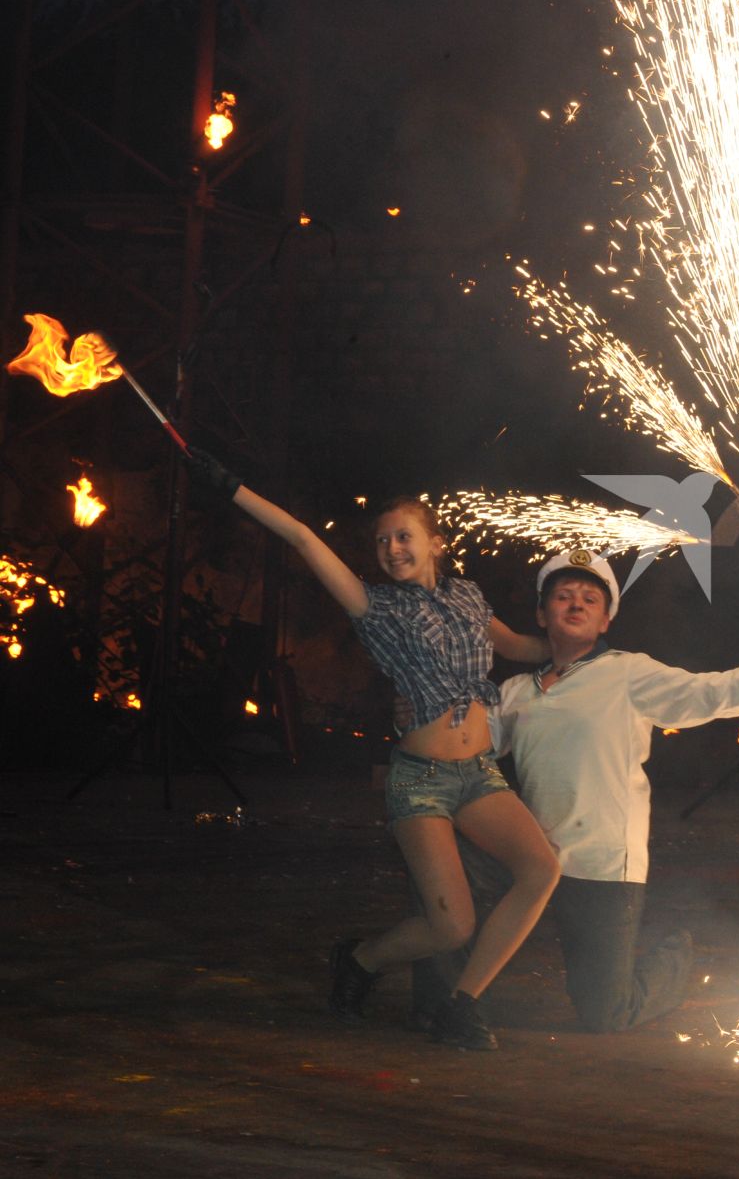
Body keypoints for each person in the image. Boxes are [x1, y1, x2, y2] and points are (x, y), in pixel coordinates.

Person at [187, 450, 560, 1050]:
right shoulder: (377, 608)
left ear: (435, 542)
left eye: (405, 536)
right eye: (383, 541)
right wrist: (232, 490)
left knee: (542, 869)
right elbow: (303, 539)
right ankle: (361, 959)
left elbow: (517, 645)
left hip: (479, 771)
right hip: (421, 780)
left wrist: (571, 640)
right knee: (451, 923)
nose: (392, 549)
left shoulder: (468, 596)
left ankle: (463, 1005)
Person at [416, 549, 739, 1033]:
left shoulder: (628, 672)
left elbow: (710, 694)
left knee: (605, 1013)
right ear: (540, 614)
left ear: (606, 620)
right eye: (563, 596)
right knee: (440, 871)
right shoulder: (517, 692)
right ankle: (436, 1004)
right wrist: (422, 715)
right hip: (531, 860)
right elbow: (465, 741)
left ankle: (676, 953)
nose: (575, 604)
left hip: (603, 866)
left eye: (589, 599)